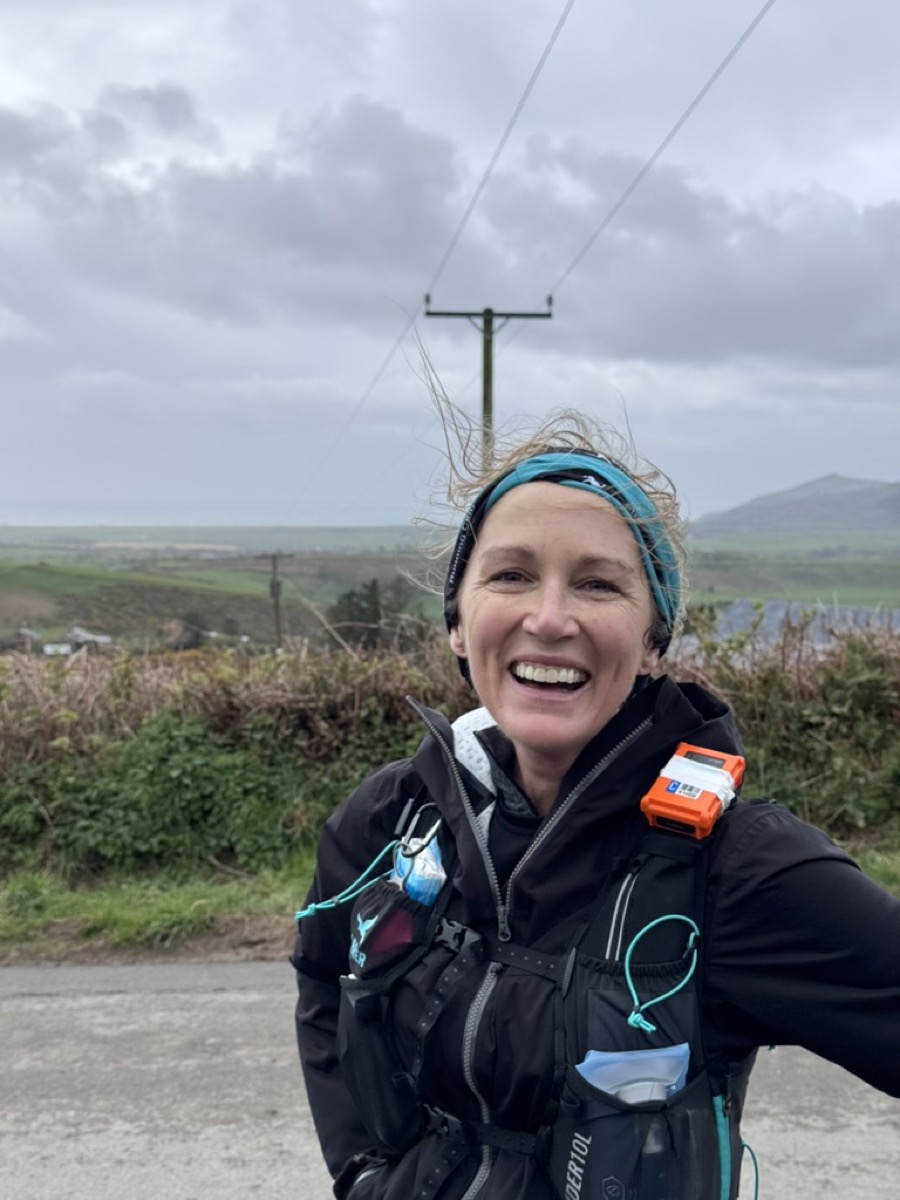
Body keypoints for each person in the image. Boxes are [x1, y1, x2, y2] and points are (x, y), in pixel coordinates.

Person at [292, 408, 900, 1200]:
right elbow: (324, 978)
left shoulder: (736, 870)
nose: (549, 618)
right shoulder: (392, 819)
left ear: (652, 642)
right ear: (457, 623)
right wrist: (363, 1173)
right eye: (510, 575)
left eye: (598, 583)